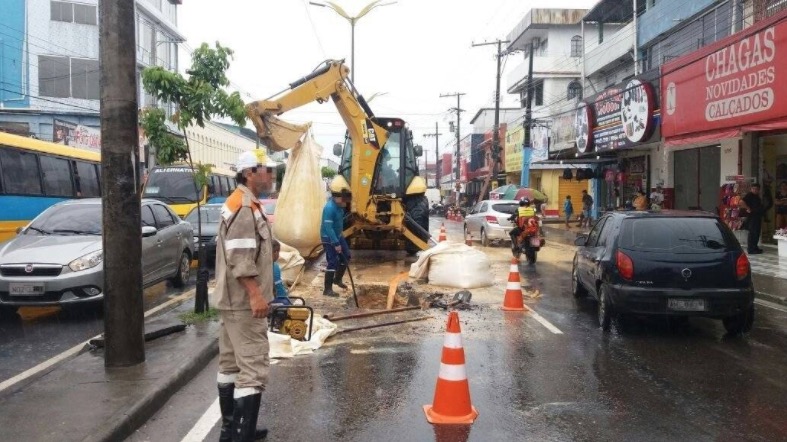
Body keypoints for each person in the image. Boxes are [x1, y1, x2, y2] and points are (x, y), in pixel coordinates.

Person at [215, 151, 274, 441]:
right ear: (250, 173)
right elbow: (240, 257)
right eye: (267, 170)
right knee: (253, 367)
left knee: (230, 364)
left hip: (230, 301)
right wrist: (255, 294)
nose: (271, 175)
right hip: (242, 302)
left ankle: (231, 432)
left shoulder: (242, 203)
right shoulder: (244, 207)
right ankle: (241, 436)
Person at [321, 178, 352, 297]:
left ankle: (337, 279)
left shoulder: (340, 205)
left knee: (346, 256)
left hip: (338, 235)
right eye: (343, 198)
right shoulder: (329, 208)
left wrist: (340, 236)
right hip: (329, 237)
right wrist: (335, 243)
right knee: (333, 261)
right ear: (336, 197)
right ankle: (327, 289)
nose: (346, 201)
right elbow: (328, 228)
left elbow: (338, 223)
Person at [740, 182, 765, 254]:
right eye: (753, 189)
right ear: (751, 189)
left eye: (756, 189)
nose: (755, 190)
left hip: (757, 217)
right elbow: (741, 202)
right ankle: (751, 249)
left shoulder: (757, 196)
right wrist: (748, 208)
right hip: (752, 217)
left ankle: (755, 247)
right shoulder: (749, 195)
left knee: (757, 233)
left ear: (759, 190)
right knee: (752, 233)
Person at [271, 239, 291, 306]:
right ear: (276, 252)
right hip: (272, 300)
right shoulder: (274, 266)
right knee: (287, 303)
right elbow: (280, 292)